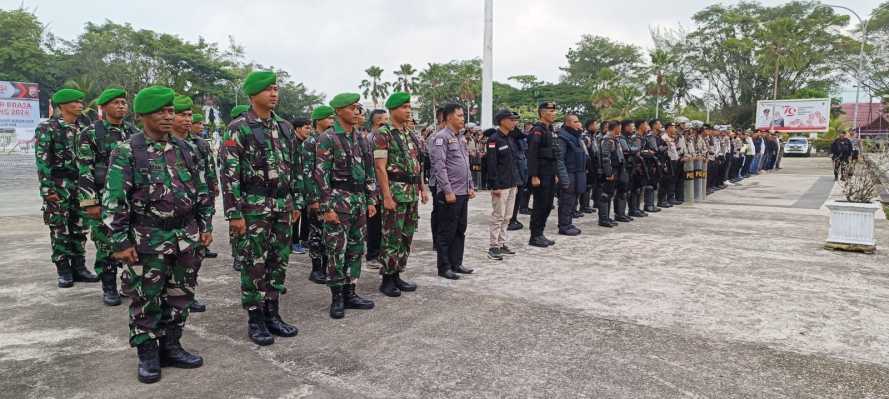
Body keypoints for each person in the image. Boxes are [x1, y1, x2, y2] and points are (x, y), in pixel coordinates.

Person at [103, 86, 212, 383]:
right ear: (143, 116)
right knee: (146, 297)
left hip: (186, 235)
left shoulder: (185, 148)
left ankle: (172, 345)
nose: (167, 117)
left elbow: (201, 190)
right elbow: (114, 200)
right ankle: (147, 353)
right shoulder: (127, 150)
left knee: (181, 294)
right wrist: (120, 242)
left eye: (170, 111)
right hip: (147, 238)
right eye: (160, 112)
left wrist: (206, 226)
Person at [220, 71, 301, 345]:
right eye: (268, 89)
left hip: (282, 203)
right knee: (253, 263)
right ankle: (255, 318)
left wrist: (295, 202)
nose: (274, 94)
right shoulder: (238, 127)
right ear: (253, 94)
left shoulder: (285, 127)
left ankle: (273, 313)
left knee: (278, 260)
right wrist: (234, 213)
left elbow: (295, 167)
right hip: (253, 207)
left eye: (276, 89)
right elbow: (229, 174)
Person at [314, 93, 379, 319]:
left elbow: (370, 172)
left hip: (358, 200)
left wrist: (371, 199)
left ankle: (351, 292)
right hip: (337, 201)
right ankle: (337, 297)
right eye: (352, 108)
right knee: (335, 251)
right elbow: (320, 176)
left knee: (355, 249)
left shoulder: (361, 138)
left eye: (358, 108)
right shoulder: (328, 138)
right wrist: (326, 208)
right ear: (339, 111)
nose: (357, 112)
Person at [77, 87, 138, 305]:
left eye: (123, 102)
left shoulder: (133, 132)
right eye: (116, 103)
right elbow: (84, 169)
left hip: (130, 199)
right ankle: (109, 287)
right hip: (103, 198)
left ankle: (130, 285)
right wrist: (90, 202)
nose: (121, 106)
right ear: (104, 107)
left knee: (133, 242)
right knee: (106, 244)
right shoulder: (91, 133)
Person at [36, 88, 97, 288]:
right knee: (60, 228)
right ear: (62, 105)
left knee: (80, 227)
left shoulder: (85, 127)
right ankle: (63, 270)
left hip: (80, 185)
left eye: (81, 102)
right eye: (76, 102)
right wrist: (47, 190)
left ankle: (79, 267)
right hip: (59, 185)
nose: (81, 105)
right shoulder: (48, 128)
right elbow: (43, 162)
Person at [373, 92, 428, 297]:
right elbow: (380, 167)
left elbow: (417, 164)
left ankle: (397, 273)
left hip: (411, 192)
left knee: (406, 236)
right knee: (391, 236)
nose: (408, 110)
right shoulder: (383, 133)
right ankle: (387, 278)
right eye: (404, 107)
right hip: (395, 193)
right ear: (393, 109)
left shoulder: (409, 133)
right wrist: (386, 196)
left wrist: (422, 188)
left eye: (409, 106)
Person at [169, 95, 213, 313]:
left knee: (194, 257)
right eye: (182, 114)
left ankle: (187, 292)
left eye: (189, 115)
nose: (187, 119)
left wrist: (209, 206)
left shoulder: (197, 146)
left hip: (193, 211)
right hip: (163, 215)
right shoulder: (159, 145)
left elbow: (206, 177)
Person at [428, 103, 475, 279]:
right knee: (446, 231)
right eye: (459, 115)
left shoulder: (461, 138)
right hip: (450, 193)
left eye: (463, 115)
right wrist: (447, 190)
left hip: (463, 192)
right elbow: (439, 166)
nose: (463, 119)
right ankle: (444, 267)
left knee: (460, 229)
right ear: (448, 117)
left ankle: (457, 263)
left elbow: (466, 165)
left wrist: (470, 186)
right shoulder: (441, 138)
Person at [303, 106, 335, 284]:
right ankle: (316, 269)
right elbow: (307, 172)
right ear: (318, 120)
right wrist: (313, 199)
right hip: (316, 195)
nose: (331, 121)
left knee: (328, 233)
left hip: (331, 194)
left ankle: (326, 267)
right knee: (316, 233)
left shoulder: (331, 139)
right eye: (328, 118)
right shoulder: (310, 142)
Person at [485, 110, 522, 260]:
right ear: (502, 121)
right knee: (498, 216)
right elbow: (491, 164)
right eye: (511, 120)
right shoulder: (494, 139)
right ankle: (493, 247)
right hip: (500, 185)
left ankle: (502, 243)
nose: (515, 122)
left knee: (508, 216)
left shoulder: (511, 138)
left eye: (515, 120)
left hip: (512, 182)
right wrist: (495, 186)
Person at [526, 101, 562, 247]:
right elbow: (533, 154)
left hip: (549, 172)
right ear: (542, 113)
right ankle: (534, 236)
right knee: (540, 205)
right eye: (550, 111)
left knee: (548, 204)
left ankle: (540, 233)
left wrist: (555, 173)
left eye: (554, 111)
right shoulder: (537, 130)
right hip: (540, 173)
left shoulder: (550, 130)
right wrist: (534, 175)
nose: (554, 114)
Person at [190, 112, 219, 260]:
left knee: (207, 214)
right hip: (190, 187)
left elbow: (210, 165)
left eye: (202, 124)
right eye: (198, 123)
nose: (201, 126)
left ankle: (204, 245)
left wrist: (214, 183)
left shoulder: (202, 143)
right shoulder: (184, 142)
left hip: (205, 185)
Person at [224, 104, 250, 273]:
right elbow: (229, 165)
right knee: (237, 224)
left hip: (249, 187)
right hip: (234, 183)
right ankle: (237, 255)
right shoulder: (232, 131)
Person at [364, 109, 388, 266]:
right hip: (374, 187)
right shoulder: (372, 138)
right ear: (378, 122)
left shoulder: (382, 137)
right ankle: (372, 255)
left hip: (382, 186)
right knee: (374, 223)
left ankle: (378, 253)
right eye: (386, 120)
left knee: (381, 223)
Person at [556, 114, 586, 236]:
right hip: (569, 173)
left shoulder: (576, 136)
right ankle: (564, 225)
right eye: (575, 121)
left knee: (573, 200)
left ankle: (568, 222)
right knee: (566, 200)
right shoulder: (562, 137)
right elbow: (559, 159)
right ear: (567, 123)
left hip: (577, 172)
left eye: (579, 121)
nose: (579, 124)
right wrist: (564, 178)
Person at [290, 117, 313, 257]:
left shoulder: (306, 144)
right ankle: (294, 242)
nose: (309, 130)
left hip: (305, 184)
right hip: (294, 185)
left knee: (306, 213)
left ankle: (304, 239)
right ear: (297, 129)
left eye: (310, 128)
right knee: (295, 214)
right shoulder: (292, 143)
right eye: (306, 128)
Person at [596, 121, 622, 227]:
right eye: (619, 127)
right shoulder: (607, 140)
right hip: (609, 171)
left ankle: (606, 217)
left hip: (614, 170)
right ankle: (603, 219)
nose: (620, 129)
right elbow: (605, 158)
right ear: (615, 128)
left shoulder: (614, 139)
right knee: (605, 195)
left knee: (610, 194)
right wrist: (608, 173)